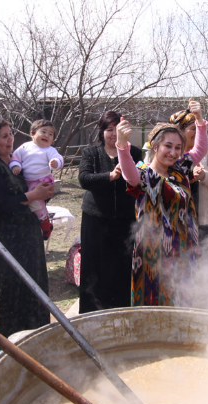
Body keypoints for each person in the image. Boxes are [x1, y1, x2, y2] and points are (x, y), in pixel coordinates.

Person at [116, 99, 208, 307]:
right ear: (155, 146)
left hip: (184, 249)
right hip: (153, 254)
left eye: (178, 147)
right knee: (154, 302)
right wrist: (122, 146)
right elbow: (129, 175)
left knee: (183, 300)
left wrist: (200, 120)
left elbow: (200, 149)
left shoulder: (180, 169)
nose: (173, 152)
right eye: (168, 146)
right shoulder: (144, 173)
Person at [0, 117, 53, 338]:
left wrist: (42, 194)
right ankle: (11, 344)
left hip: (29, 239)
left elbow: (31, 192)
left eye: (11, 134)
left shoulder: (15, 162)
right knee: (12, 290)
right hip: (8, 241)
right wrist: (32, 196)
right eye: (4, 136)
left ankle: (36, 337)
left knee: (33, 287)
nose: (10, 139)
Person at [77, 111, 142, 313]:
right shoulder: (91, 153)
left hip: (125, 220)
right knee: (94, 267)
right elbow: (84, 179)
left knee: (122, 266)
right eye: (109, 130)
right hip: (95, 219)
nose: (113, 134)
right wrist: (110, 176)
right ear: (102, 131)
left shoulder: (135, 153)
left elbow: (139, 180)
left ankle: (121, 311)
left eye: (118, 130)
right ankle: (90, 313)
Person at [171, 109, 208, 308]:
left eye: (197, 128)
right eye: (191, 129)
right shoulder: (171, 151)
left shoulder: (207, 150)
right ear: (181, 130)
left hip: (204, 222)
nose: (195, 133)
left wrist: (204, 176)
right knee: (183, 274)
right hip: (179, 226)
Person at [9, 119, 64, 240]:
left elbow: (59, 158)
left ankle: (45, 224)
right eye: (43, 132)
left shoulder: (50, 150)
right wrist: (15, 166)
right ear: (32, 133)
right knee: (34, 204)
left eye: (50, 134)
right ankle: (45, 221)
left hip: (43, 180)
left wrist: (56, 163)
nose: (47, 135)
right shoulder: (24, 148)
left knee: (36, 204)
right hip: (28, 181)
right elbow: (15, 158)